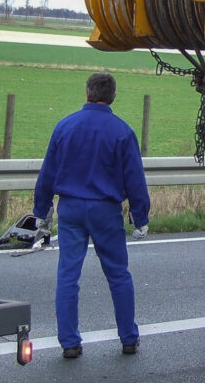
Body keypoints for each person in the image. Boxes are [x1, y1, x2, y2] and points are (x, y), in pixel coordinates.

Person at [33, 72, 150, 359]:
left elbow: (47, 172)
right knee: (118, 274)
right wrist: (140, 216)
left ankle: (69, 342)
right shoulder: (122, 131)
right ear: (112, 96)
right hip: (105, 210)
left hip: (70, 208)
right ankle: (128, 338)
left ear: (86, 93)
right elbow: (135, 179)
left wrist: (42, 211)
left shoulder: (65, 127)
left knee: (68, 275)